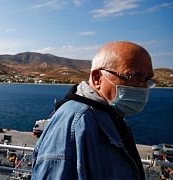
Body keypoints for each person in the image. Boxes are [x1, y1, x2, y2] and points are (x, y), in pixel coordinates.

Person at [32, 41, 155, 179]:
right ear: (97, 78)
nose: (143, 87)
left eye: (147, 79)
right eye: (134, 76)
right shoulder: (75, 123)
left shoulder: (111, 115)